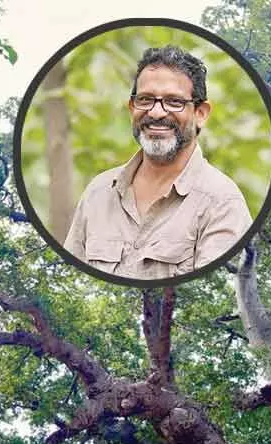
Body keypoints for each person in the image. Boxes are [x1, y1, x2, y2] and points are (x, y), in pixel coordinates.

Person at [63, 45, 252, 281]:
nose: (156, 113)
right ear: (132, 107)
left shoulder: (222, 202)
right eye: (145, 99)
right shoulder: (98, 191)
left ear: (200, 113)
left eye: (174, 101)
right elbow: (70, 279)